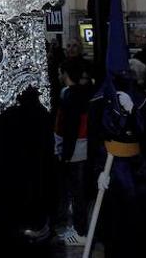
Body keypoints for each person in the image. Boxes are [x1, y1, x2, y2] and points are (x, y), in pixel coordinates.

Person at [54, 59, 94, 246]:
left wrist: (65, 153)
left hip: (74, 150)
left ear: (65, 73)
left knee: (77, 191)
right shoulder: (86, 93)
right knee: (80, 191)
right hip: (84, 148)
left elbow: (69, 127)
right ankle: (81, 228)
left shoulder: (69, 96)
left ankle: (80, 231)